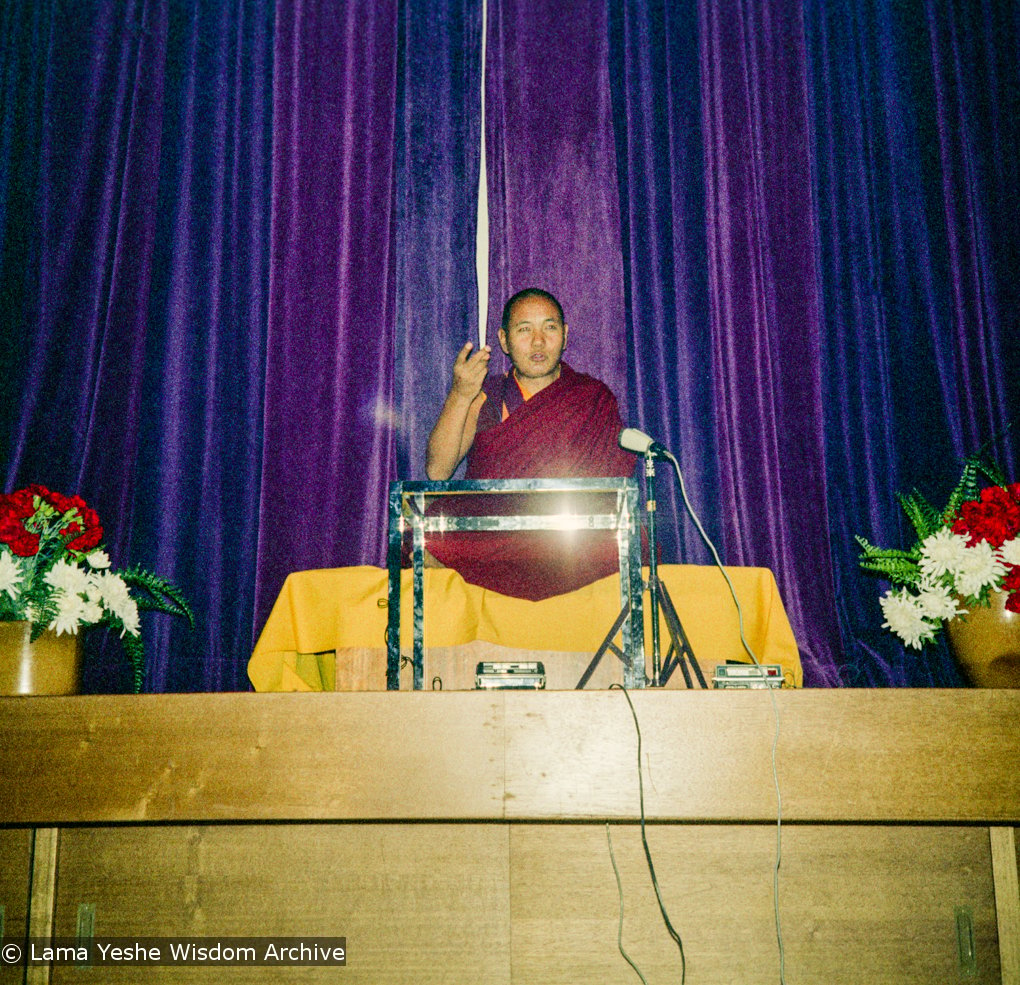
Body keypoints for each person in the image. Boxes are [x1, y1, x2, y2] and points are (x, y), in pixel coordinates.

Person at [422, 288, 635, 600]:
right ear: (504, 340)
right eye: (524, 330)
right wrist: (461, 394)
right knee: (423, 538)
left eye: (549, 328)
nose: (538, 342)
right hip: (496, 529)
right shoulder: (487, 395)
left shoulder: (591, 397)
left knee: (632, 540)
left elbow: (609, 488)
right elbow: (438, 471)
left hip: (567, 531)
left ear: (564, 335)